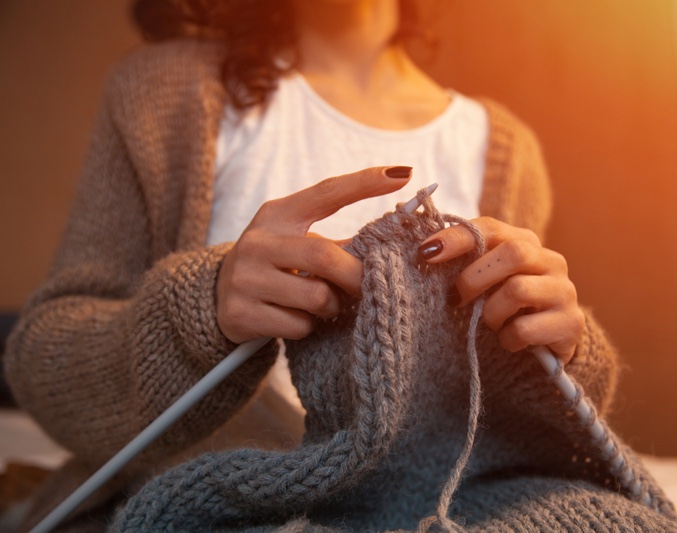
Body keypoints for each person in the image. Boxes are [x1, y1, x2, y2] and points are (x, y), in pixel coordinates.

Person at [5, 0, 620, 530]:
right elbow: (43, 368)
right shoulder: (166, 91)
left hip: (439, 506)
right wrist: (204, 309)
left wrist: (564, 350)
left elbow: (531, 431)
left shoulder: (501, 145)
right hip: (209, 501)